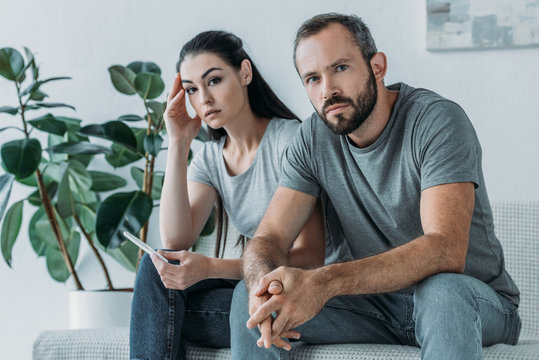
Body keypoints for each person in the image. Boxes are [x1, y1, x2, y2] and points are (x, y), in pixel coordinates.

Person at [230, 13, 521, 360]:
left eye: (340, 68)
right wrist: (265, 284)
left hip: (472, 301)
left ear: (378, 66)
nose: (328, 90)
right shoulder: (312, 139)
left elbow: (445, 250)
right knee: (249, 297)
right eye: (312, 78)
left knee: (442, 291)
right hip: (382, 307)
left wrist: (324, 281)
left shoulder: (437, 121)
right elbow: (270, 239)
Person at [129, 30, 343, 360]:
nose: (204, 98)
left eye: (214, 80)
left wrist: (212, 267)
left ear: (244, 73)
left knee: (190, 311)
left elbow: (310, 257)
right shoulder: (212, 157)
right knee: (154, 268)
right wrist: (178, 143)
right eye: (191, 90)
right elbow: (175, 240)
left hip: (299, 291)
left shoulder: (289, 142)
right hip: (251, 289)